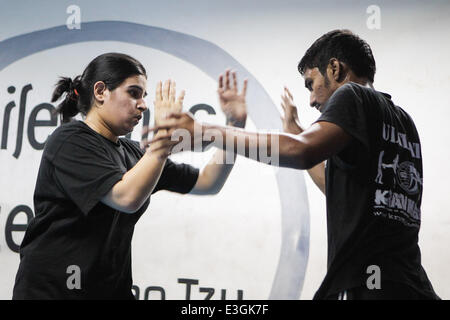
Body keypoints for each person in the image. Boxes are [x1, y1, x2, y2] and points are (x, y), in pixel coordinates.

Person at [148, 30, 440, 300]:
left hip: (366, 286)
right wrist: (295, 130)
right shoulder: (402, 121)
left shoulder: (353, 96)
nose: (312, 99)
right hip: (410, 286)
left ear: (335, 69)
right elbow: (340, 189)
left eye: (311, 85)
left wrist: (205, 131)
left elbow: (302, 154)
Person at [12, 52, 245, 299]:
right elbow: (126, 198)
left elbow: (209, 182)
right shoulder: (69, 140)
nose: (143, 104)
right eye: (134, 93)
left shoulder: (135, 153)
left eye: (144, 96)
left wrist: (234, 125)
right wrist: (164, 139)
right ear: (101, 92)